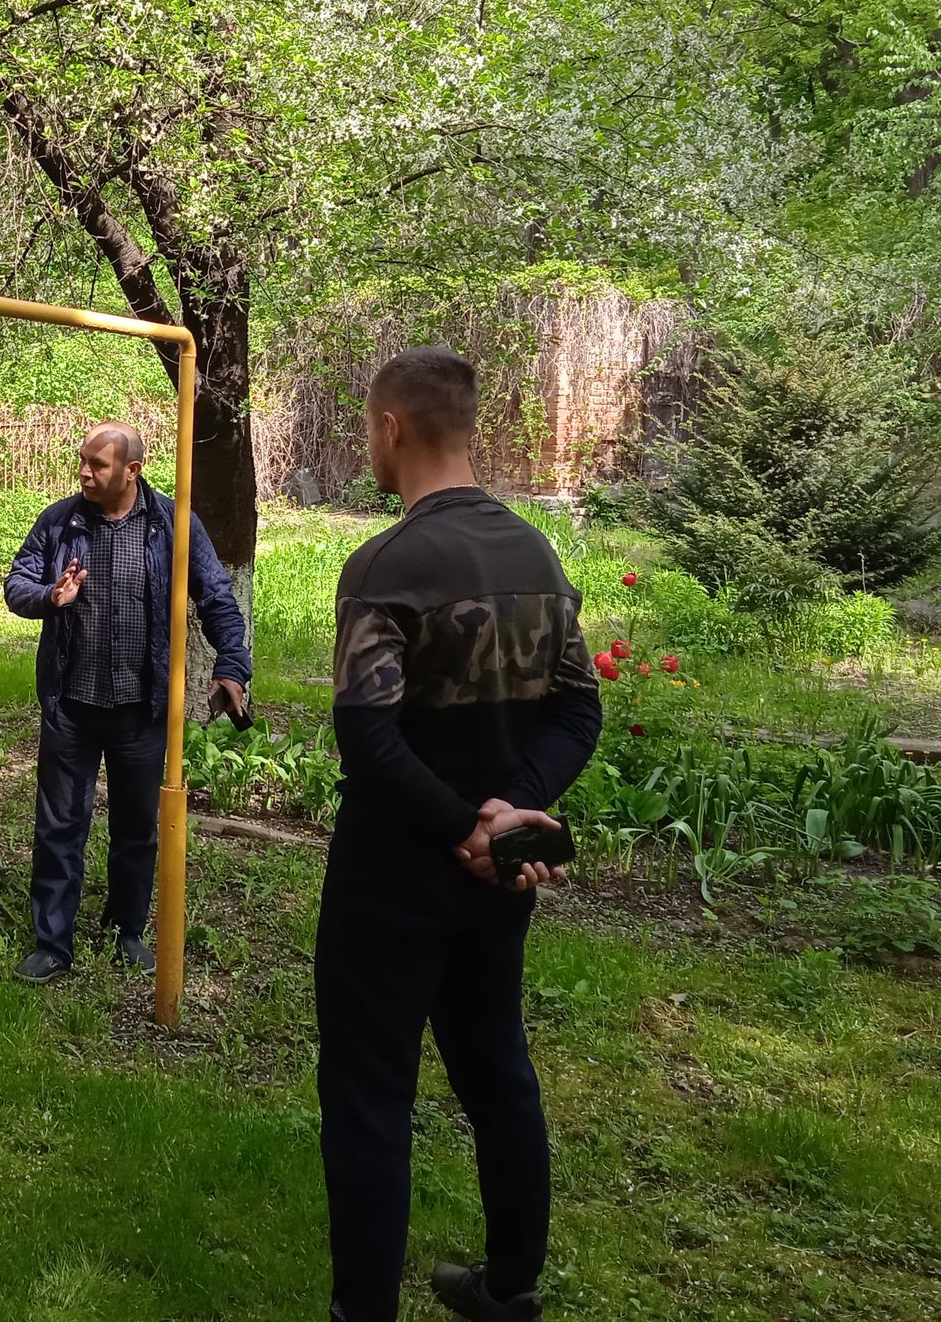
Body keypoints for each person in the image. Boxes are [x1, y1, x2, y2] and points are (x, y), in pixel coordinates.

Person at [317, 347, 602, 1322]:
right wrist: (509, 816)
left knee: (369, 1097)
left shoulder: (385, 564)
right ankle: (510, 1288)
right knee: (496, 1073)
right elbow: (578, 710)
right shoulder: (537, 555)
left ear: (391, 428)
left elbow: (367, 736)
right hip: (498, 879)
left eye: (371, 430)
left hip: (389, 879)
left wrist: (459, 827)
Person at [2, 422, 251, 982]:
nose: (84, 472)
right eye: (82, 460)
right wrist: (50, 595)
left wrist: (233, 665)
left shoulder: (173, 524)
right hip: (71, 705)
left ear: (132, 470)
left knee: (137, 828)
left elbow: (217, 597)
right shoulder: (60, 522)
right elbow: (16, 584)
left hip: (142, 708)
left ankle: (127, 931)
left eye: (98, 464)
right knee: (60, 826)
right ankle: (53, 943)